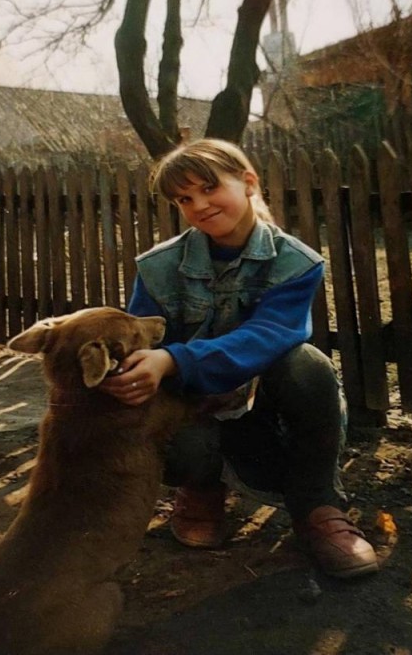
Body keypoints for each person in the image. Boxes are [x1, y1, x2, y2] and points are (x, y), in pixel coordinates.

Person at [98, 138, 378, 579]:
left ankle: (318, 507)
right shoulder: (157, 267)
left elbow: (270, 335)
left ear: (248, 182)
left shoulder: (296, 263)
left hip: (265, 412)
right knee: (166, 430)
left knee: (307, 366)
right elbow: (141, 341)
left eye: (209, 188)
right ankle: (200, 488)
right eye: (184, 199)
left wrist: (174, 360)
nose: (199, 205)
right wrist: (136, 370)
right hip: (194, 409)